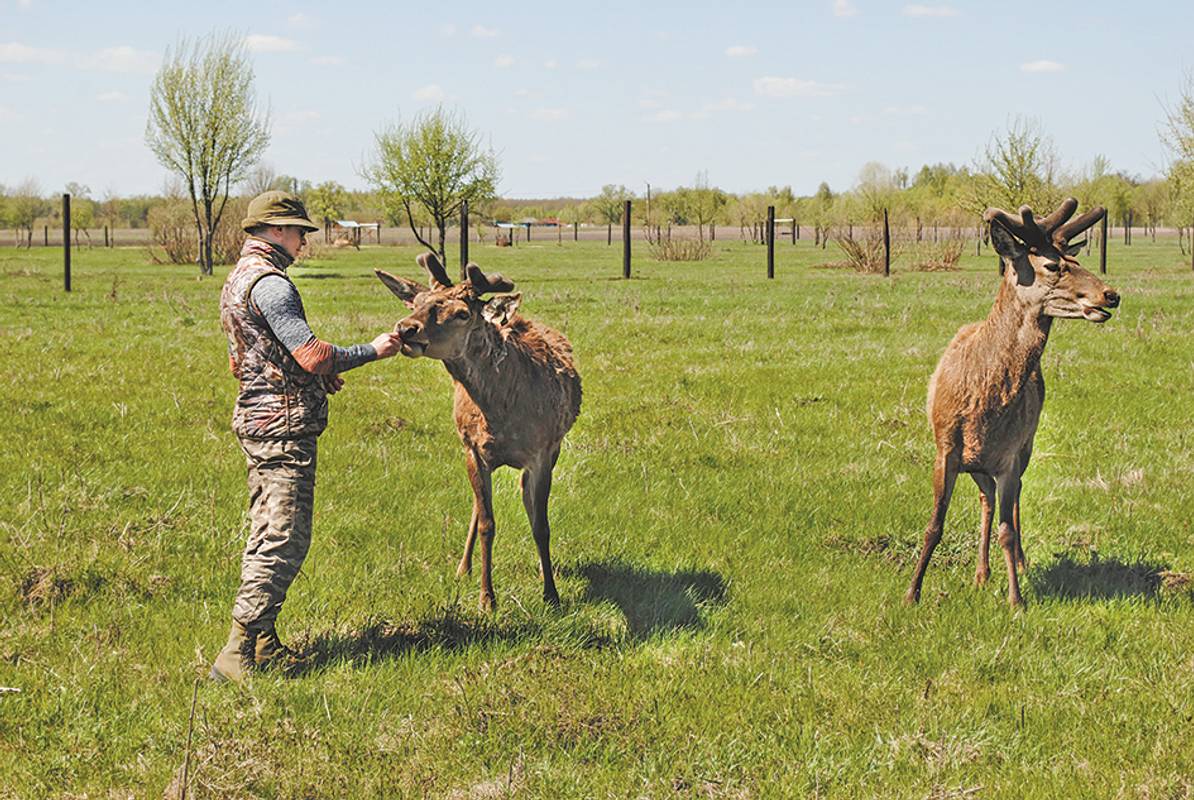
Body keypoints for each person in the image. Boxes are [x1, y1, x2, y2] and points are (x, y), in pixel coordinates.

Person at [211, 190, 402, 682]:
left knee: (265, 528)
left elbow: (245, 361)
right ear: (276, 231)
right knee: (284, 536)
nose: (303, 241)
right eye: (298, 232)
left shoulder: (236, 280)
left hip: (258, 420)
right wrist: (373, 350)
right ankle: (237, 652)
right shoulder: (272, 286)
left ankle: (265, 641)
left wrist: (309, 378)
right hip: (283, 430)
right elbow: (312, 353)